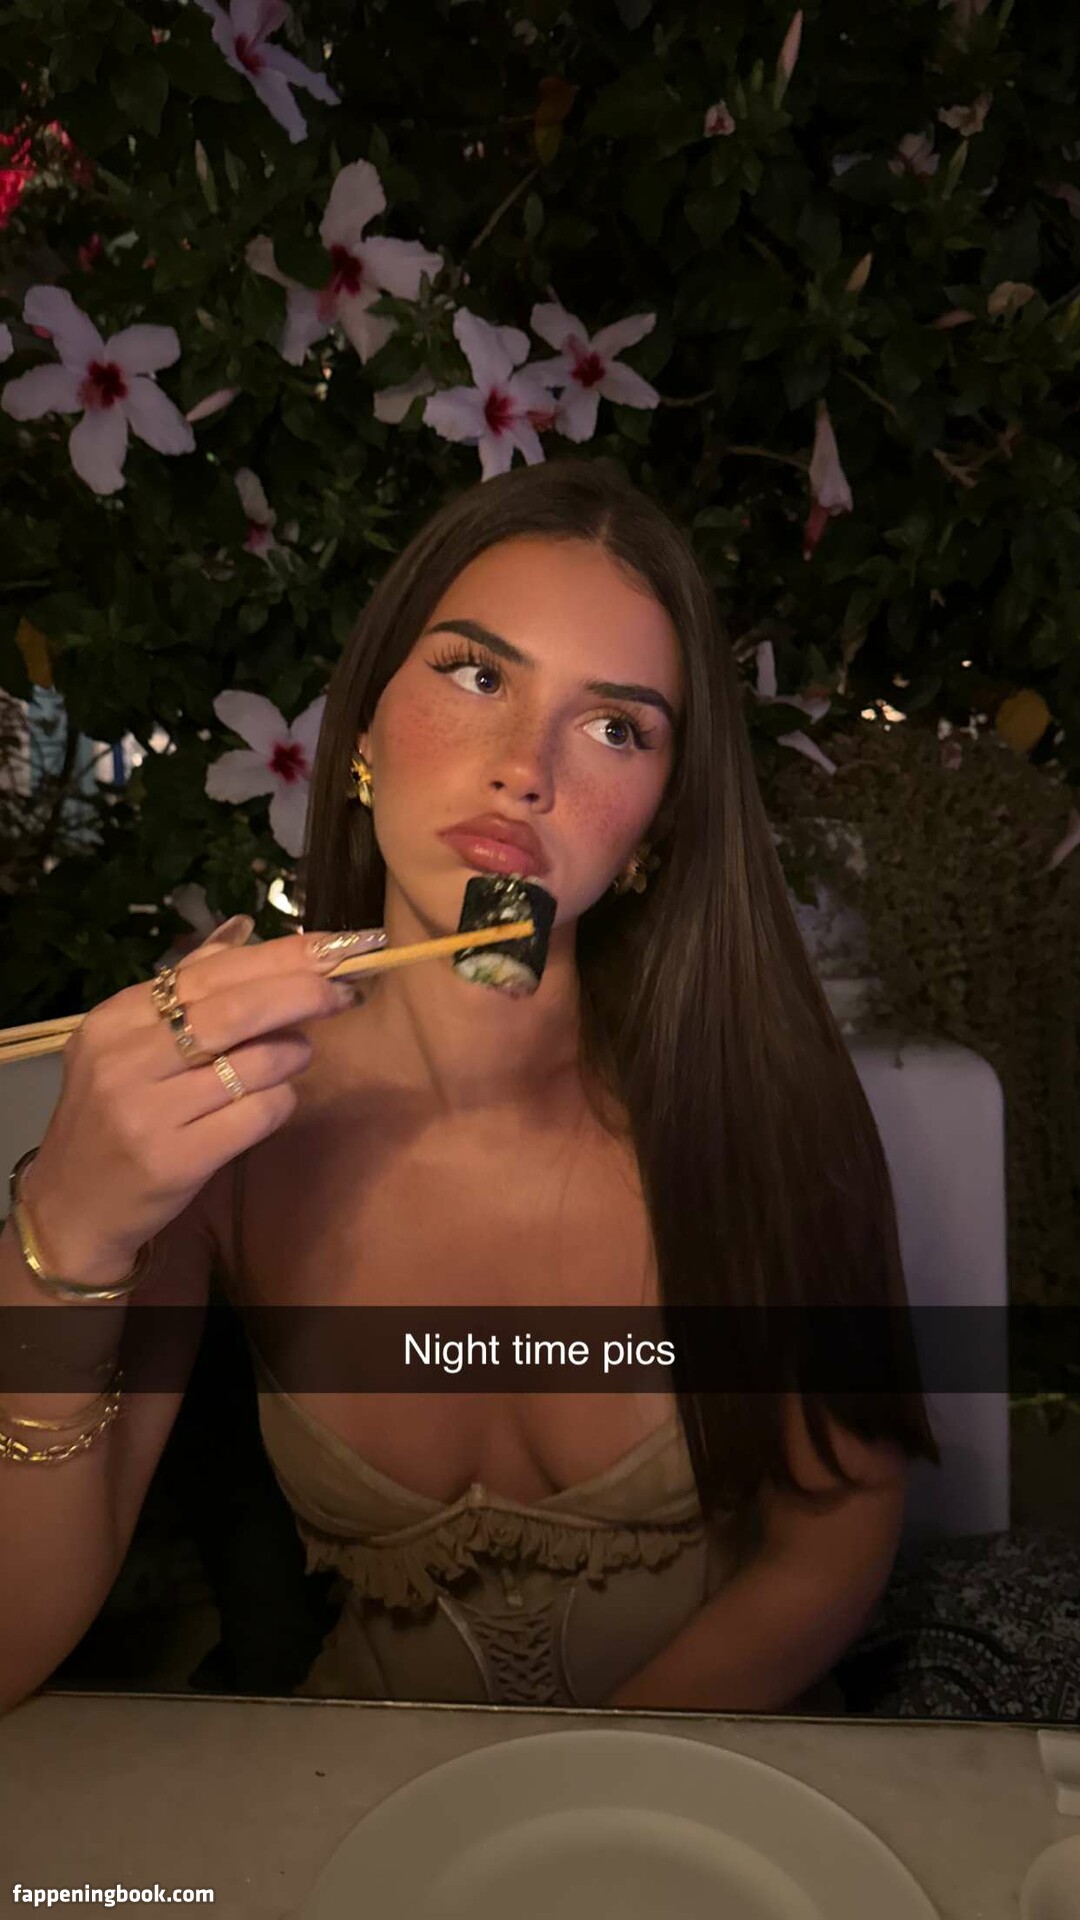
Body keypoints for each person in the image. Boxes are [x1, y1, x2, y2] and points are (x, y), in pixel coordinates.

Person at [0, 459, 940, 1716]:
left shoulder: (758, 1099)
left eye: (616, 727)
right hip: (352, 1794)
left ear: (656, 831)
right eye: (478, 676)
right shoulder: (233, 1117)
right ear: (363, 734)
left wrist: (587, 1792)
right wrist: (63, 1241)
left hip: (706, 1791)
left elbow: (837, 1535)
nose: (523, 770)